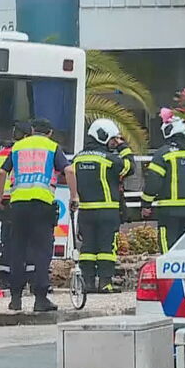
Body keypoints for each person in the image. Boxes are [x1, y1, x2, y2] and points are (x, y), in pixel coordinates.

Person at [0, 119, 78, 312]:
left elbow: (1, 172)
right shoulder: (52, 147)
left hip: (18, 205)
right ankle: (40, 299)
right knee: (41, 251)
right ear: (49, 132)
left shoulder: (18, 147)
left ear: (32, 130)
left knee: (17, 249)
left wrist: (0, 195)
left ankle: (15, 299)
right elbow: (69, 170)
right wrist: (74, 196)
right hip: (41, 205)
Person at [73, 119, 135, 293]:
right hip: (107, 211)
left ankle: (88, 284)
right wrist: (123, 147)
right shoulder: (109, 159)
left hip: (85, 211)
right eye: (112, 139)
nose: (112, 143)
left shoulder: (78, 158)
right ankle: (105, 284)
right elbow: (130, 167)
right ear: (103, 136)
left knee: (87, 248)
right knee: (107, 248)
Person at [142, 110, 185, 252]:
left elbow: (153, 181)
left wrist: (146, 203)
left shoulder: (163, 154)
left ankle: (171, 274)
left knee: (168, 250)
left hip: (169, 210)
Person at [0, 120, 33, 288]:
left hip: (5, 203)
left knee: (7, 242)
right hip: (22, 200)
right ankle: (29, 278)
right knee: (29, 241)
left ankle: (5, 279)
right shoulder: (27, 153)